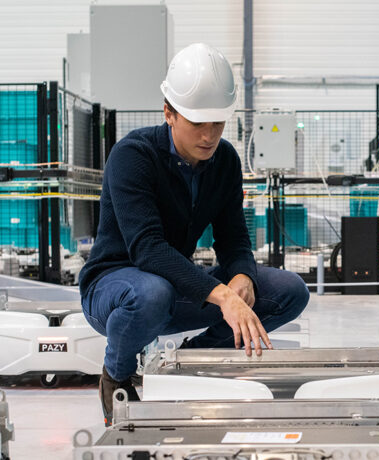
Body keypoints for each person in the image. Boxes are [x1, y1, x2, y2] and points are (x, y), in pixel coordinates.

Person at [79, 43, 310, 426]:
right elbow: (147, 250)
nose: (209, 135)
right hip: (116, 292)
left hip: (171, 289)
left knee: (288, 291)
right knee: (152, 290)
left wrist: (241, 278)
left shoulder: (225, 161)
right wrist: (222, 296)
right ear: (168, 112)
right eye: (197, 123)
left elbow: (234, 237)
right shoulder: (133, 155)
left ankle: (187, 365)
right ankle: (115, 376)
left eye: (217, 123)